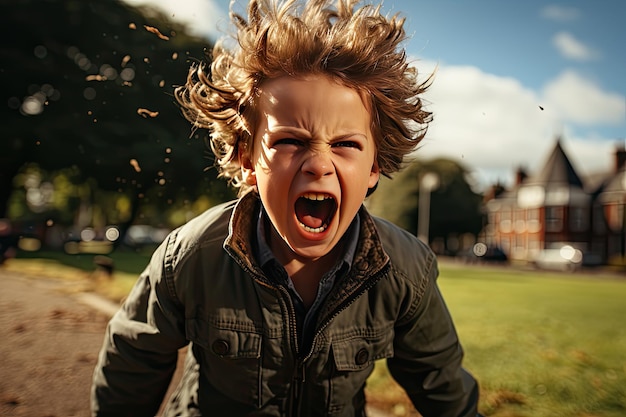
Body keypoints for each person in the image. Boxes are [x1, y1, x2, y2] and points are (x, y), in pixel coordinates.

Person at [91, 0, 482, 416]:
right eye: (289, 141)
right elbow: (131, 365)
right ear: (247, 156)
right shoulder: (190, 256)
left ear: (375, 167)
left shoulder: (407, 270)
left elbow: (444, 390)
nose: (318, 164)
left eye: (346, 145)